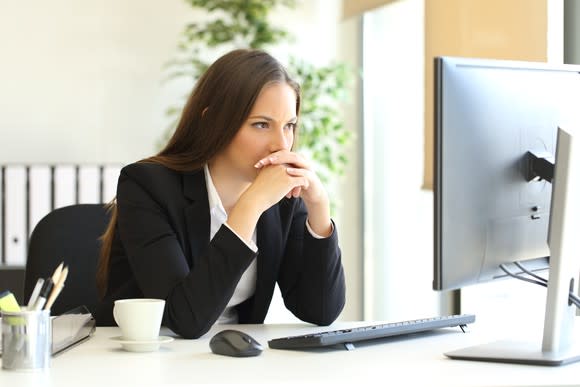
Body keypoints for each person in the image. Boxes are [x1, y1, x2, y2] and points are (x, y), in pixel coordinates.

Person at [95, 48, 346, 339]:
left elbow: (321, 310)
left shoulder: (282, 198)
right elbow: (184, 319)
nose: (281, 144)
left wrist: (319, 208)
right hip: (141, 358)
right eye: (261, 125)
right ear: (213, 121)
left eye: (289, 126)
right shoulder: (147, 185)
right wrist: (251, 205)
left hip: (226, 359)